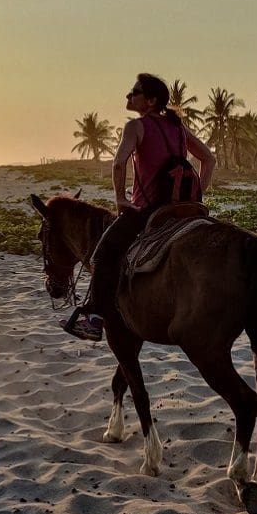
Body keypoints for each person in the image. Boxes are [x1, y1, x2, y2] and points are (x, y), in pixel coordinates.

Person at [63, 73, 217, 341]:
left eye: (134, 92)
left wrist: (120, 199)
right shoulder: (178, 127)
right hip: (185, 208)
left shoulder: (136, 126)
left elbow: (118, 163)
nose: (128, 96)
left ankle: (94, 319)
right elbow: (209, 159)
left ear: (151, 100)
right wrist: (197, 194)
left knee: (102, 255)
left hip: (150, 209)